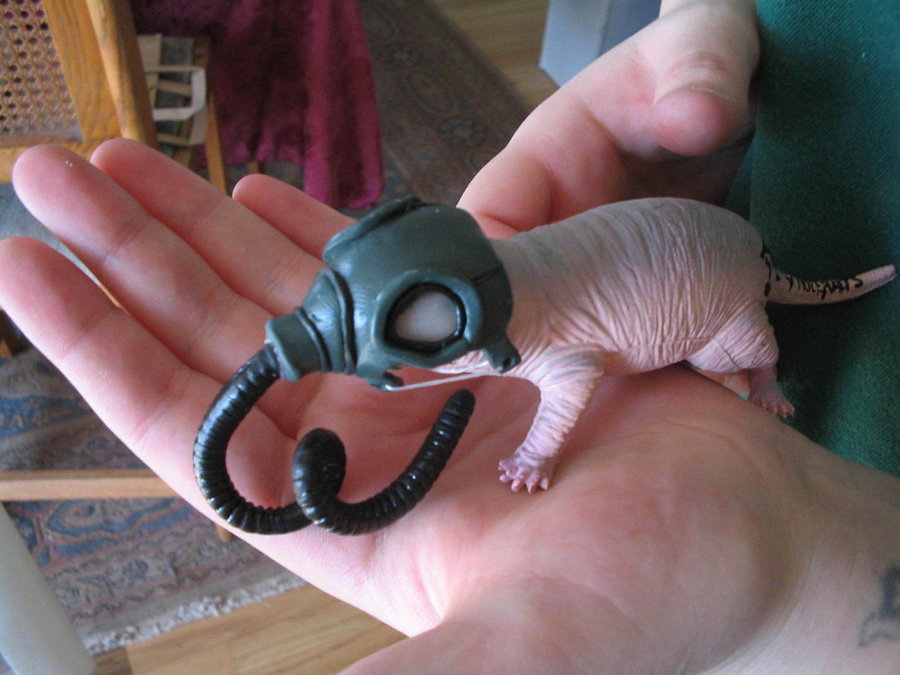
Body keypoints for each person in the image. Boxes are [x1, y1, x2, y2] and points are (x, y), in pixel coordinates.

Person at [0, 0, 896, 671]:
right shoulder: (502, 290)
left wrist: (539, 452)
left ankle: (767, 376)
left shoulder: (538, 340)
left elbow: (570, 378)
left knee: (736, 344)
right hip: (728, 214)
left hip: (728, 285)